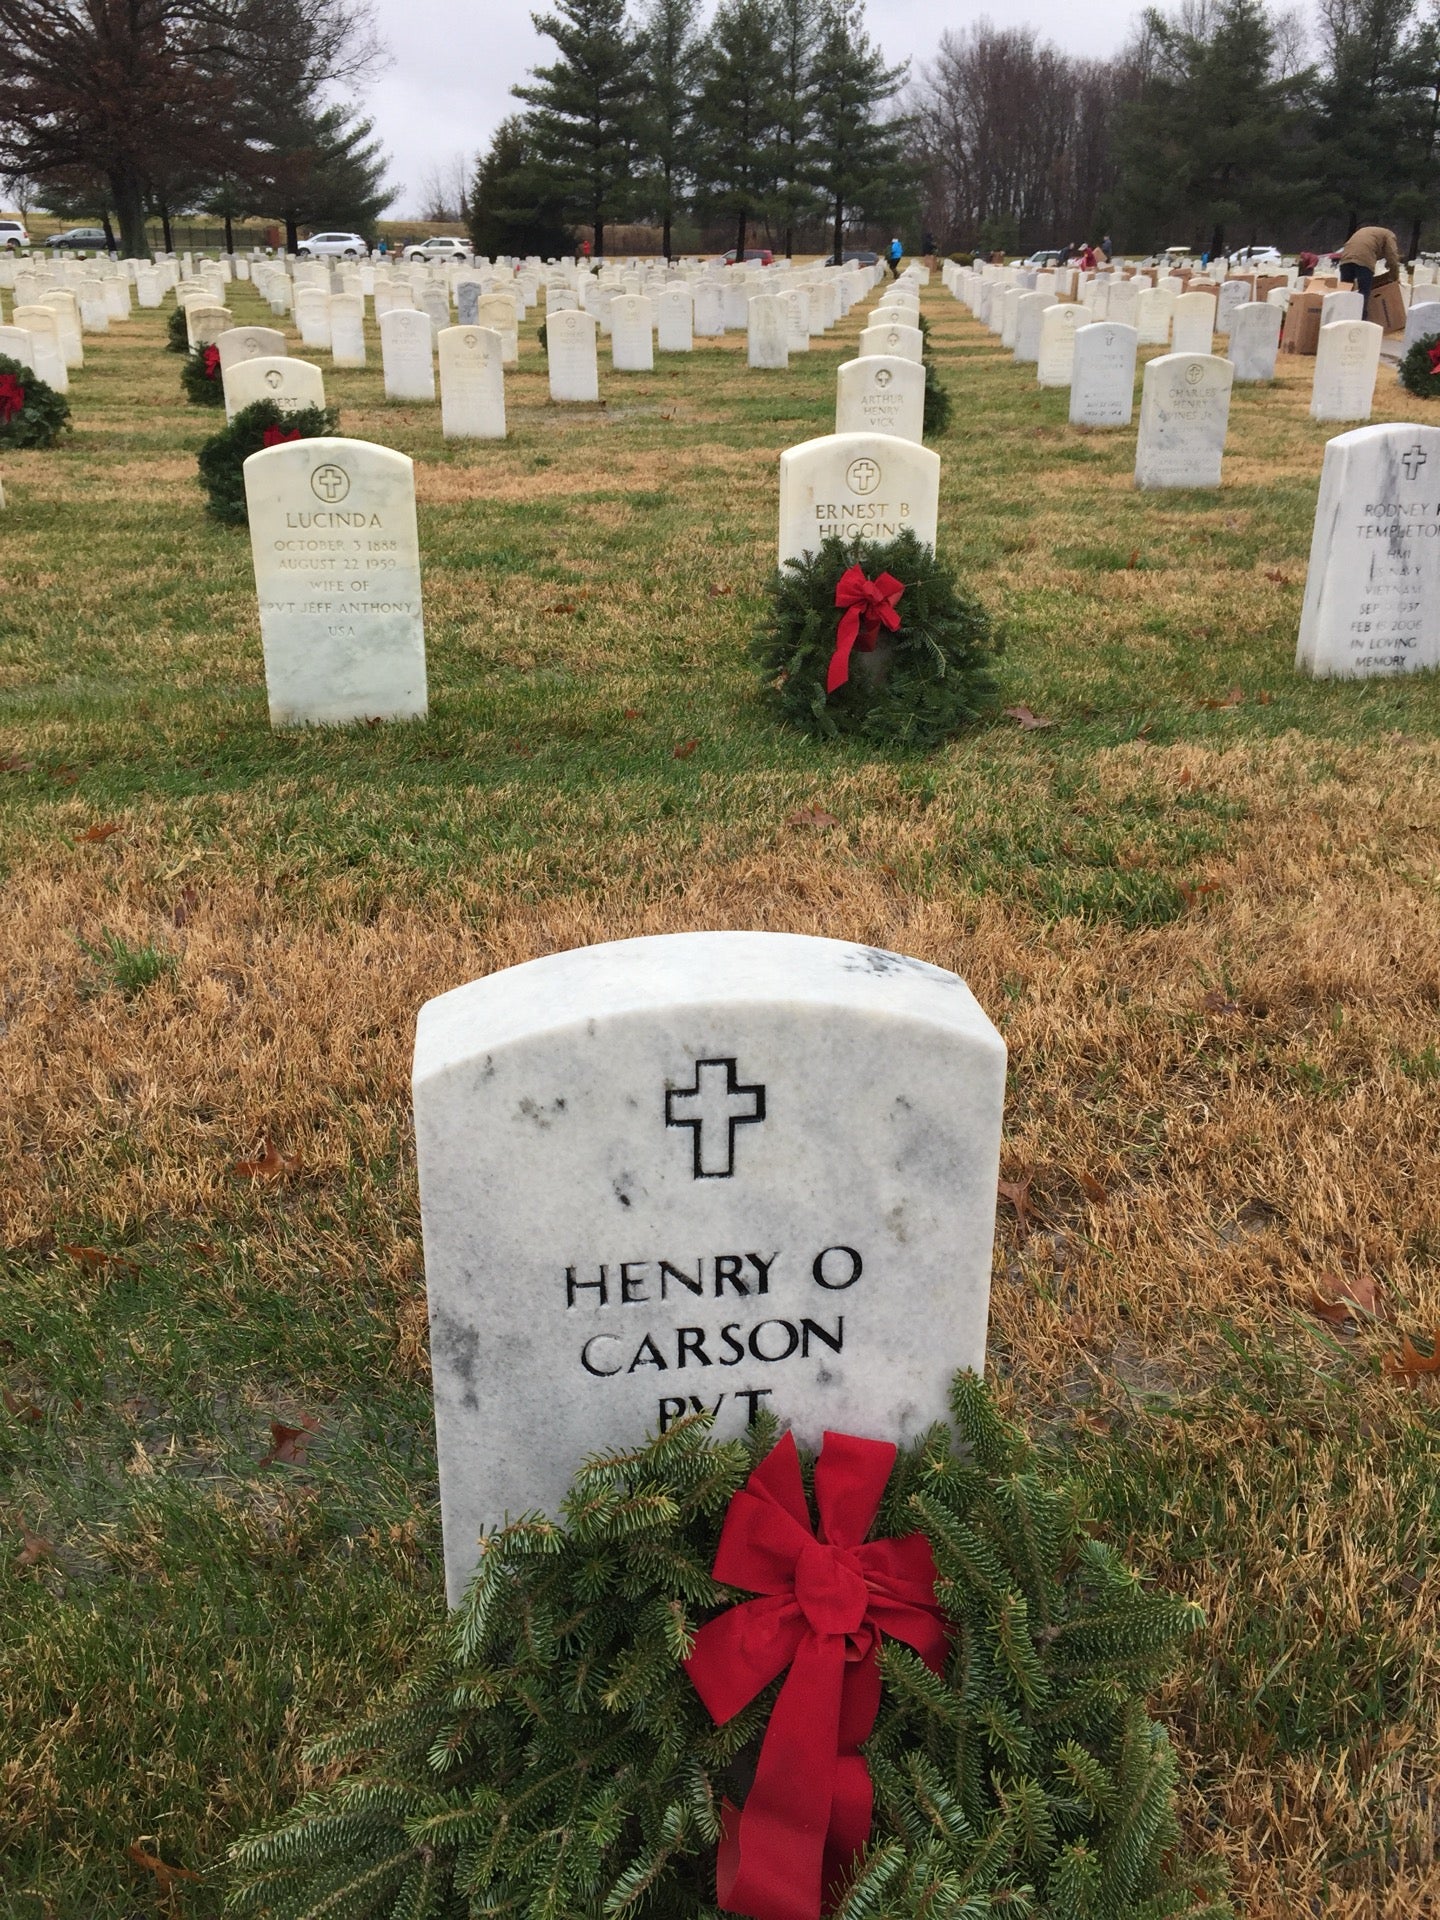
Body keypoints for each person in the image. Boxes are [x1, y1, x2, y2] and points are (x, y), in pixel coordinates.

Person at [1336, 224, 1401, 319]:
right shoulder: (1389, 235)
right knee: (1364, 292)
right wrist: (1395, 277)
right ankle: (1360, 318)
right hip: (1364, 260)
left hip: (1345, 259)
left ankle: (1341, 316)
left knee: (1346, 290)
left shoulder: (1367, 232)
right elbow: (1392, 256)